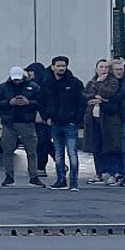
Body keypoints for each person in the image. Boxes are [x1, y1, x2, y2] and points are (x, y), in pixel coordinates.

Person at [0, 66, 45, 188]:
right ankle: (9, 176)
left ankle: (34, 177)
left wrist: (29, 103)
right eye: (15, 79)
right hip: (9, 124)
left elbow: (42, 102)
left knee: (31, 151)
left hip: (27, 123)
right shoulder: (3, 88)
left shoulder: (33, 87)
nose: (17, 81)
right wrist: (9, 103)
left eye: (19, 79)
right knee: (7, 151)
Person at [40, 55, 86, 190]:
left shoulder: (75, 83)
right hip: (55, 123)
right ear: (53, 67)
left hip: (70, 124)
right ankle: (61, 180)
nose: (61, 68)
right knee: (58, 154)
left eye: (64, 66)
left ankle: (74, 183)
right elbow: (41, 101)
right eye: (59, 66)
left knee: (72, 153)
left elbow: (81, 103)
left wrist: (76, 121)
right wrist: (45, 117)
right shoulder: (47, 83)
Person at [83, 59, 123, 184]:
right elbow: (86, 95)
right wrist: (96, 97)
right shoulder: (91, 82)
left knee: (110, 147)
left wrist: (99, 85)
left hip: (109, 121)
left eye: (106, 67)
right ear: (96, 69)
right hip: (93, 120)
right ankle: (98, 173)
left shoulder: (113, 82)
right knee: (96, 147)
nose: (104, 69)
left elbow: (109, 94)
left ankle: (112, 173)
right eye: (101, 67)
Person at [25, 62, 54, 178]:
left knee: (42, 142)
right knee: (45, 141)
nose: (28, 74)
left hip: (41, 117)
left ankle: (41, 167)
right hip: (43, 116)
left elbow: (42, 101)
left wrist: (42, 114)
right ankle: (54, 161)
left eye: (30, 71)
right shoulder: (45, 81)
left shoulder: (39, 84)